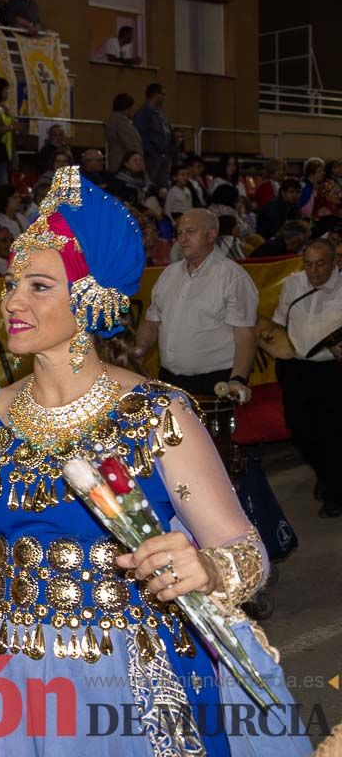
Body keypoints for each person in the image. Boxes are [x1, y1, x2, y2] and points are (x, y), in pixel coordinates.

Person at [0, 165, 301, 756]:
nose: (12, 302)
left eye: (38, 286)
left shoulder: (158, 415)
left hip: (128, 690)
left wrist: (207, 570)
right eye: (10, 284)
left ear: (90, 297)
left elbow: (247, 553)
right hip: (10, 686)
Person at [257, 239, 342, 517]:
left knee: (332, 433)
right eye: (308, 264)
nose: (314, 271)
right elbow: (280, 320)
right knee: (300, 430)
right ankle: (325, 474)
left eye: (321, 264)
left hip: (332, 371)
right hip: (297, 368)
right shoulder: (293, 285)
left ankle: (334, 493)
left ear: (333, 262)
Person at [136, 208, 258, 397]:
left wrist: (238, 379)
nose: (182, 239)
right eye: (179, 233)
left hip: (214, 383)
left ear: (211, 235)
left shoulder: (233, 277)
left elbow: (245, 333)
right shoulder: (169, 274)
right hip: (168, 379)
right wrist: (140, 349)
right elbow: (152, 321)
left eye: (190, 232)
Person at [134, 83, 176, 190]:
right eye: (163, 94)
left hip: (164, 157)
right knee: (151, 187)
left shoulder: (160, 115)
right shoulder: (143, 114)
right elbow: (140, 135)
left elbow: (167, 134)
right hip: (152, 158)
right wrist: (151, 152)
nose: (164, 98)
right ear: (156, 95)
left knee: (164, 187)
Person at [104, 93, 144, 174]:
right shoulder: (121, 121)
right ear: (127, 107)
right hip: (124, 164)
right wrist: (138, 159)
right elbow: (131, 143)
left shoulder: (113, 120)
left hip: (118, 162)